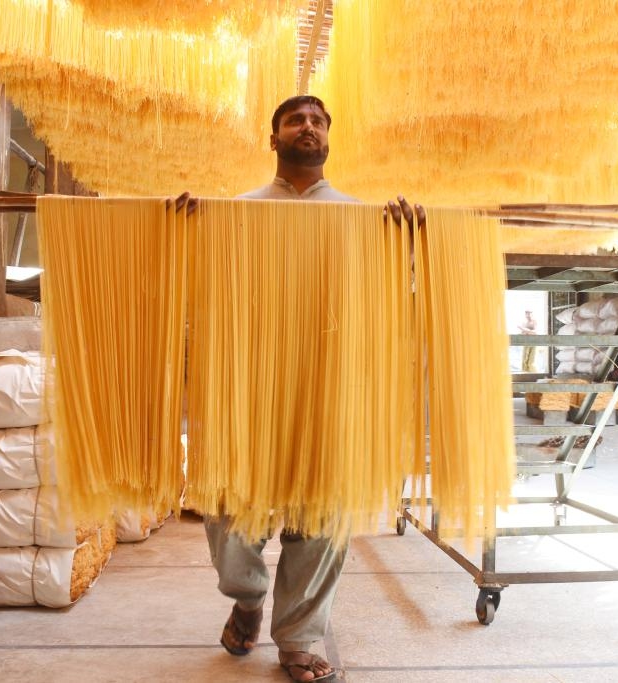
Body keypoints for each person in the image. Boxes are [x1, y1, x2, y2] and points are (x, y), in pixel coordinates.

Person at [205, 94, 422, 683]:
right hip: (246, 383)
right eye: (295, 120)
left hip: (332, 383)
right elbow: (194, 281)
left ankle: (299, 637)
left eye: (319, 121)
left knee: (323, 514)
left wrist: (408, 241)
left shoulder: (364, 218)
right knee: (227, 507)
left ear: (328, 139)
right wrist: (178, 224)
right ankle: (246, 596)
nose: (309, 127)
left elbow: (393, 296)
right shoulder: (233, 213)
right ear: (273, 138)